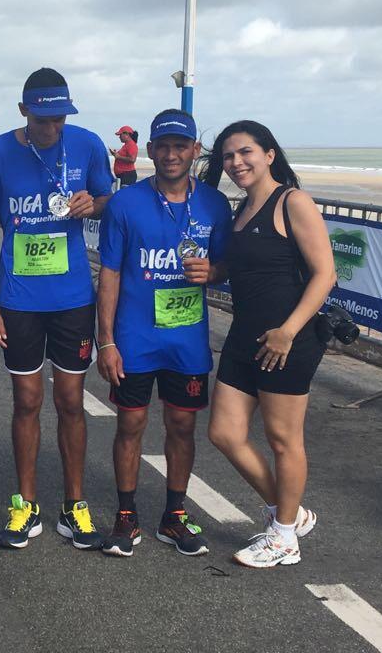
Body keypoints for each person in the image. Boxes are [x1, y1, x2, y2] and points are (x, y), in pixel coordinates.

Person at [0, 67, 114, 550]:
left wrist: (90, 205)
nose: (52, 128)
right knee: (27, 400)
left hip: (74, 297)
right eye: (43, 118)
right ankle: (25, 505)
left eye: (60, 118)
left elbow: (106, 199)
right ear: (23, 112)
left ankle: (74, 506)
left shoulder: (89, 145)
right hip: (18, 301)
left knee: (71, 401)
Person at [96, 108, 232, 558]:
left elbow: (225, 267)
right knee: (130, 424)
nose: (172, 155)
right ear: (150, 151)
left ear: (195, 151)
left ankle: (174, 516)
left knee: (181, 424)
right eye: (163, 146)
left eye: (181, 146)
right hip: (135, 338)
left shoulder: (214, 204)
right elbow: (110, 274)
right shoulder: (125, 203)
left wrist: (211, 271)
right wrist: (107, 340)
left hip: (186, 341)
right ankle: (126, 513)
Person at [200, 120, 336, 568]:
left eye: (245, 153)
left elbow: (325, 275)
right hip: (245, 335)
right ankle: (289, 514)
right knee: (224, 433)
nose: (236, 163)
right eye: (228, 156)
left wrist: (289, 331)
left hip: (287, 340)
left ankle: (282, 537)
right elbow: (245, 271)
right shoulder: (239, 211)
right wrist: (213, 273)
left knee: (282, 440)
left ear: (269, 154)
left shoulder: (292, 201)